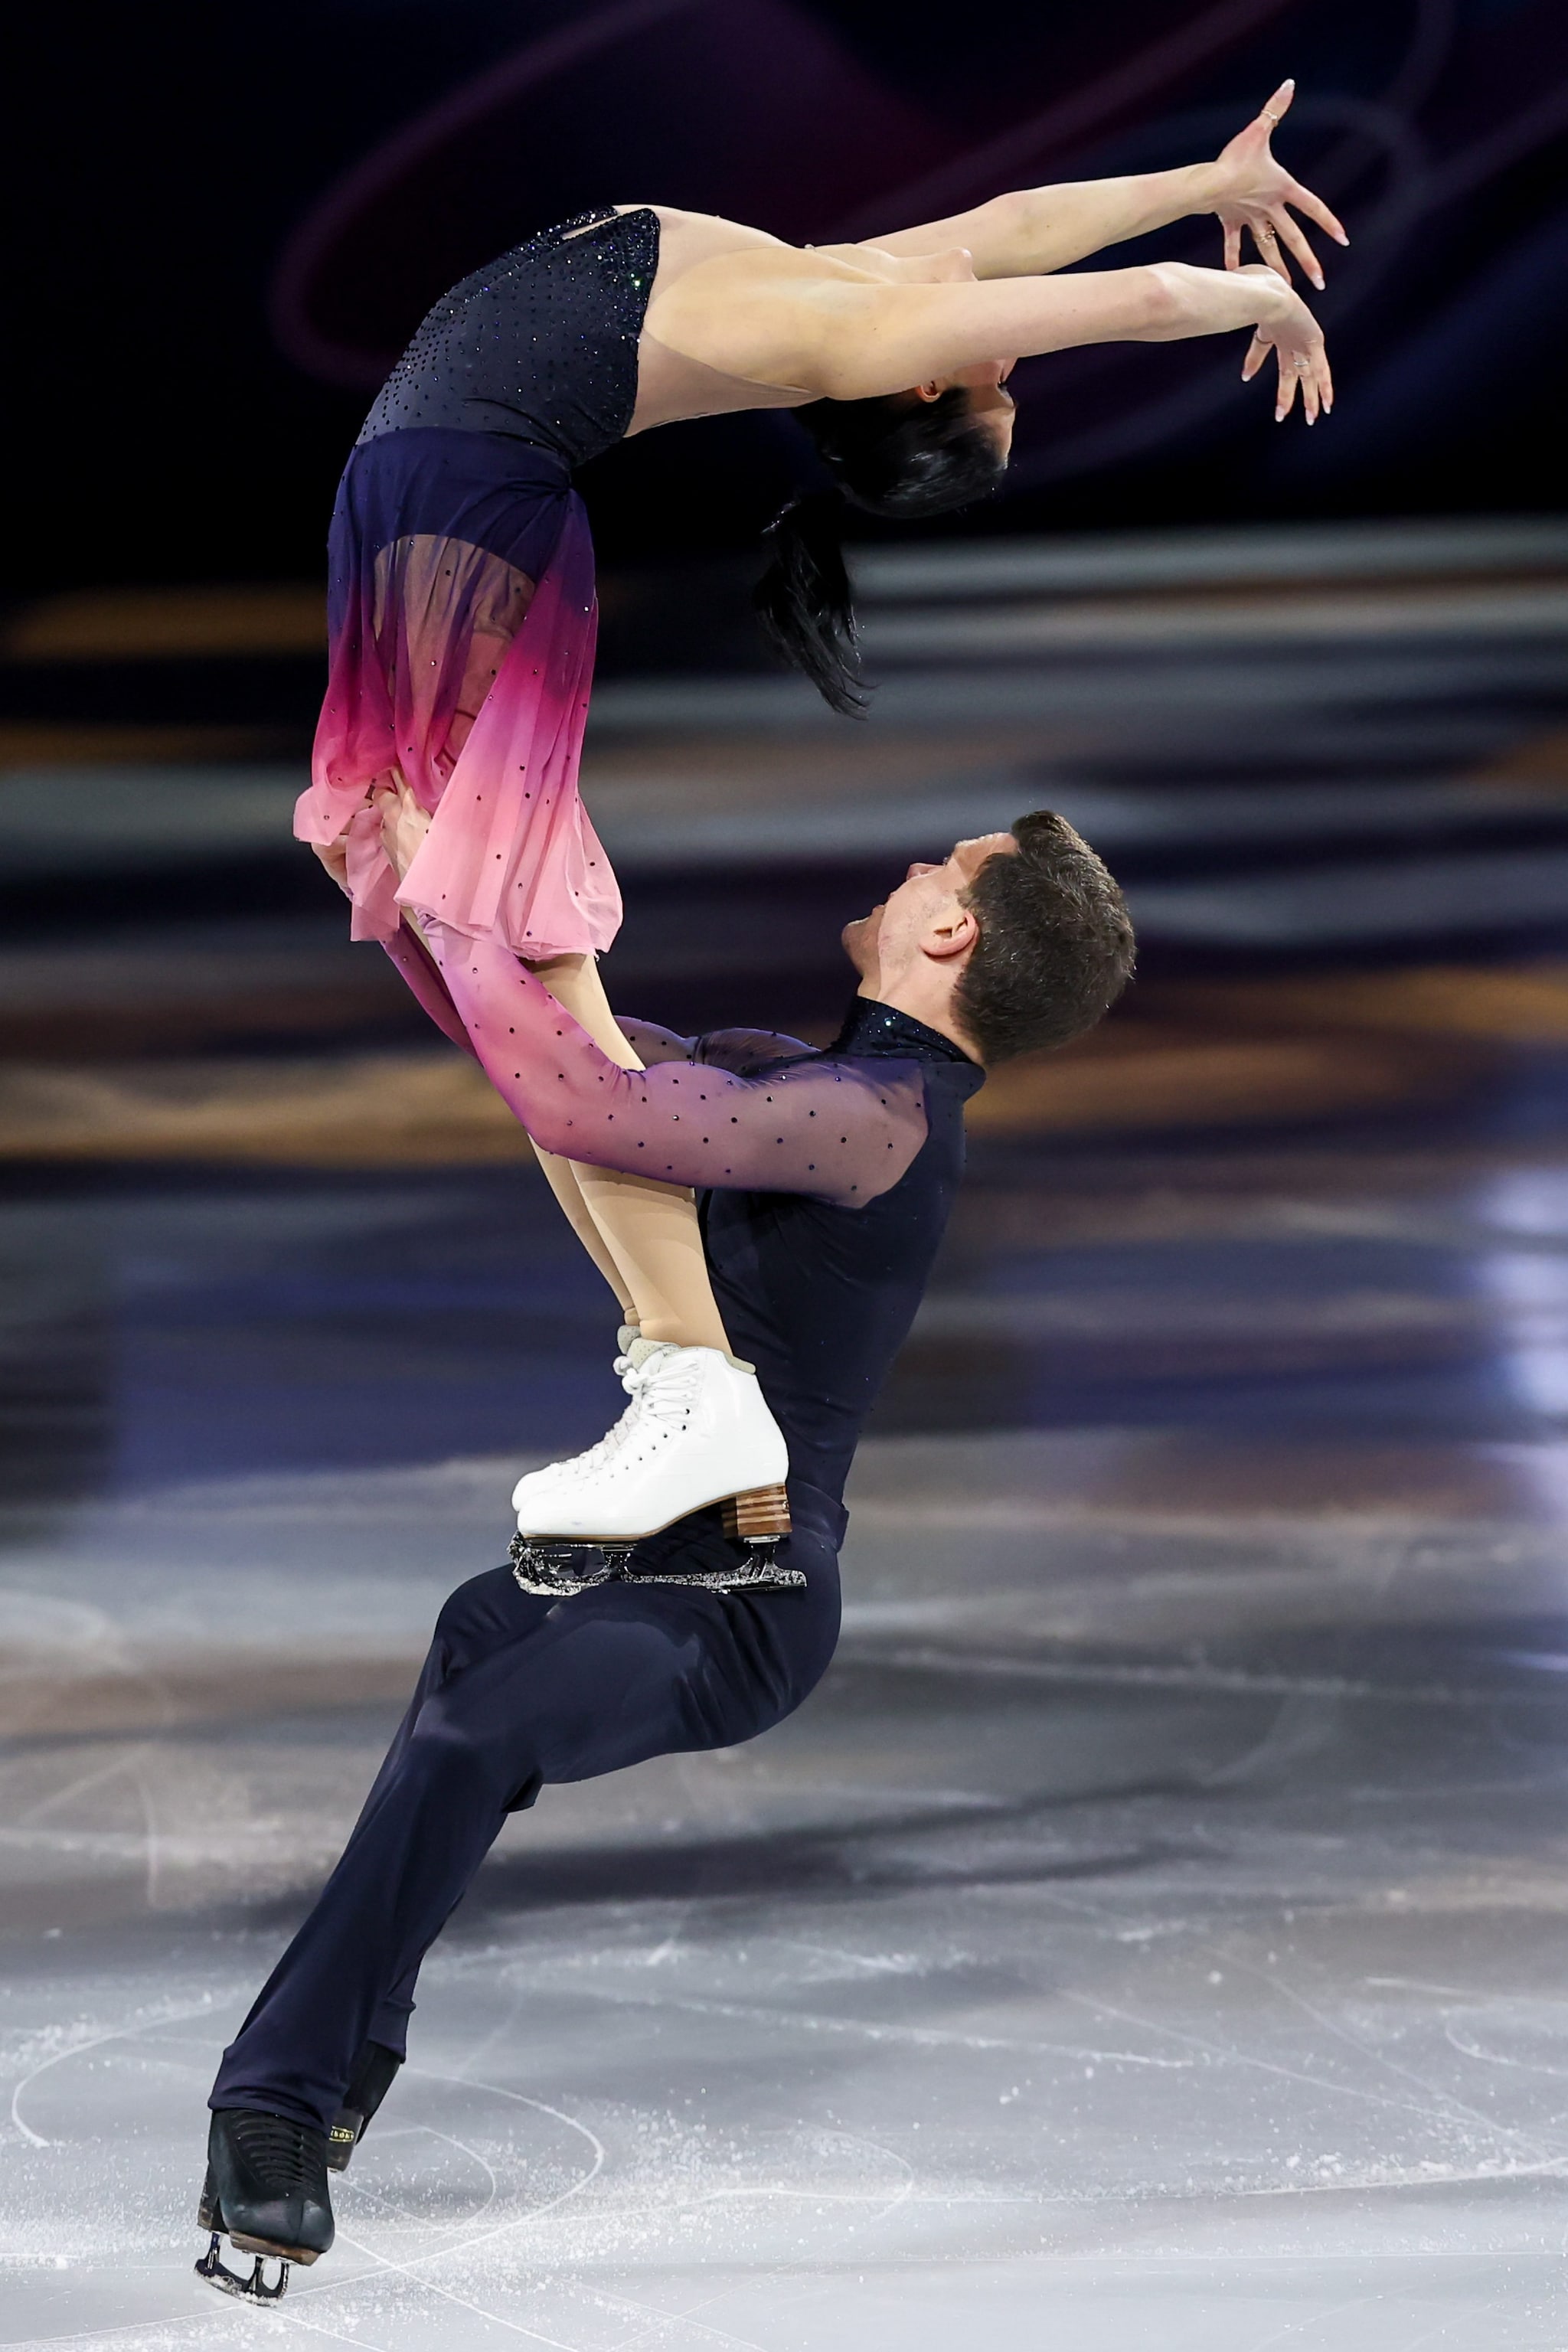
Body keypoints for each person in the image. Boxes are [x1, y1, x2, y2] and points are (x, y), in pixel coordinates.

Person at [295, 82, 1341, 1547]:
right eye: (1013, 386)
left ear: (925, 385)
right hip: (427, 496)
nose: (1014, 367)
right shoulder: (870, 291)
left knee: (528, 952)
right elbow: (1021, 231)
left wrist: (1254, 299)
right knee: (505, 949)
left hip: (456, 511)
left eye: (1002, 388)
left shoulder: (856, 325)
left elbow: (1134, 302)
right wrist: (1197, 177)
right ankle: (683, 1371)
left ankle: (694, 1376)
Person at [195, 808, 1136, 2299]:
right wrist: (411, 901)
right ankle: (341, 2056)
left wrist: (454, 905)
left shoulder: (877, 1119)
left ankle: (277, 2105)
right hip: (636, 1551)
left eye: (935, 870)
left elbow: (592, 1107)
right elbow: (550, 1051)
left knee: (477, 1717)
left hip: (739, 1598)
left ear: (952, 934)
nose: (903, 869)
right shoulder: (809, 1082)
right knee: (475, 1647)